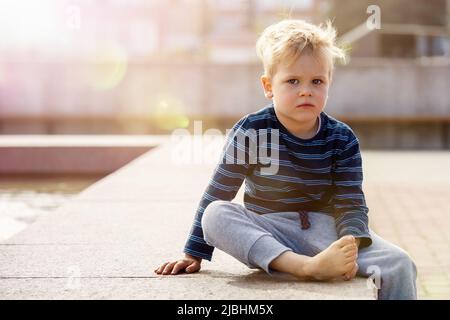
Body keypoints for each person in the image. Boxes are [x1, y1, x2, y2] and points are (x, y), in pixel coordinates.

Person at [154, 19, 417, 300]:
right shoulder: (252, 131)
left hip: (325, 232)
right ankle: (304, 267)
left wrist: (349, 243)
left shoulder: (342, 138)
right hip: (269, 233)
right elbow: (219, 190)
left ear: (329, 83)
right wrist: (193, 252)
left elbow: (350, 201)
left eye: (317, 81)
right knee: (216, 213)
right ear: (269, 86)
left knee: (401, 264)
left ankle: (323, 261)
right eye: (293, 81)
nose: (306, 90)